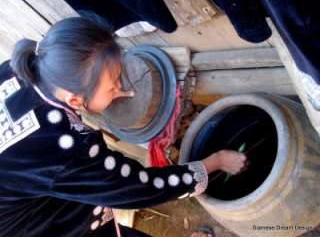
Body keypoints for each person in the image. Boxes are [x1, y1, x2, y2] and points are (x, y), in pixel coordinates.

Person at [0, 16, 246, 237]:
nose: (121, 88)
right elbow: (139, 188)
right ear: (75, 100)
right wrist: (215, 162)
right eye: (112, 86)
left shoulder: (16, 72)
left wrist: (104, 92)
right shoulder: (64, 151)